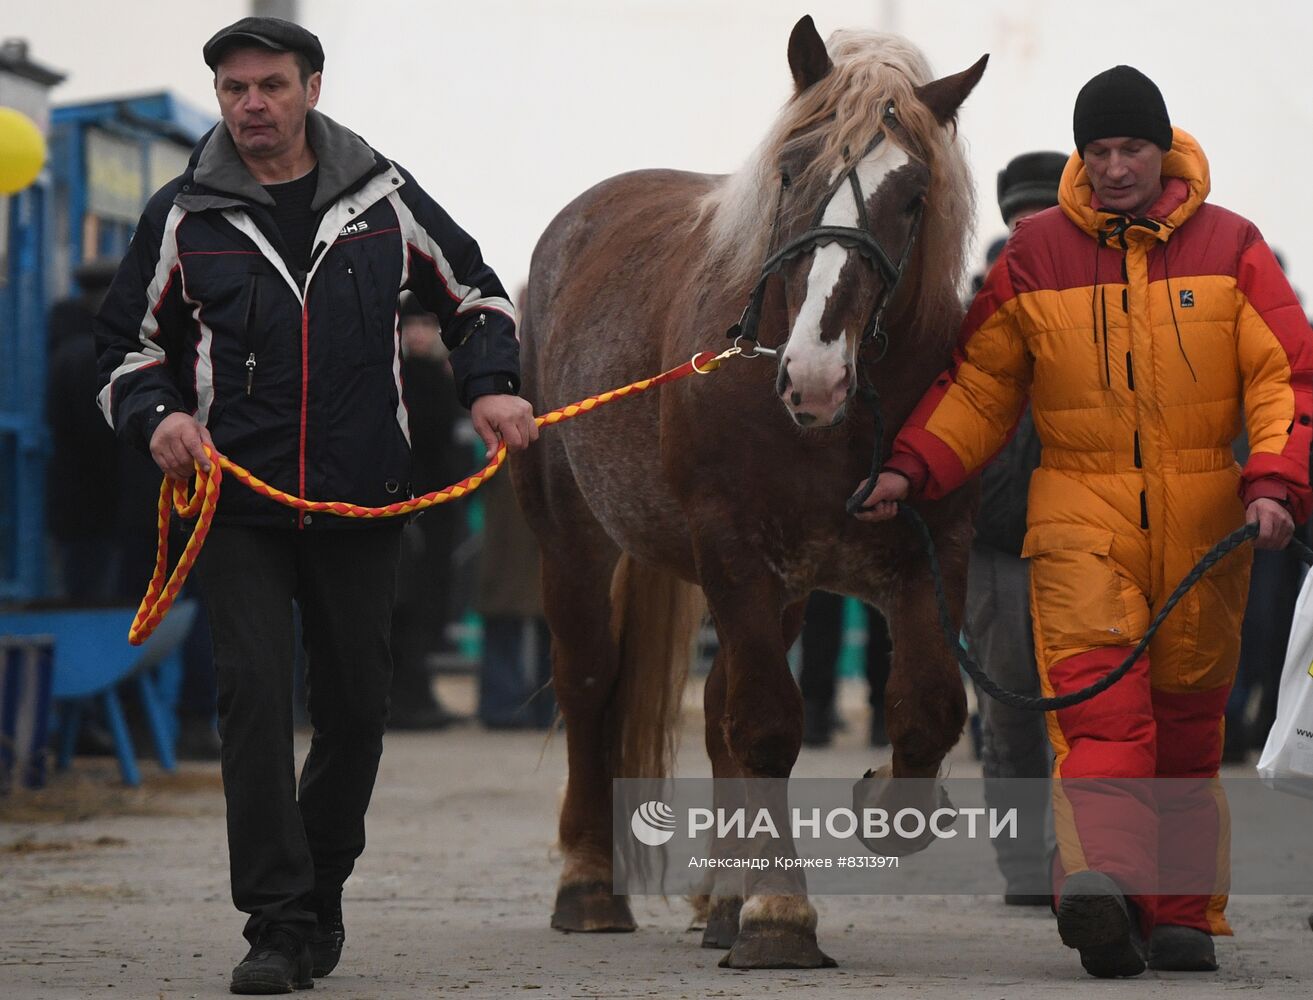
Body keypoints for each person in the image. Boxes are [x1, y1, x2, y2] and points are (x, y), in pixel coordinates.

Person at [93, 17, 536, 994]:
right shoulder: (184, 212)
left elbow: (478, 296)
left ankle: (318, 894)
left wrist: (491, 383)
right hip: (237, 503)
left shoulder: (383, 198)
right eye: (234, 89)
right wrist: (158, 414)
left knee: (354, 709)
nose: (251, 104)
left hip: (362, 501)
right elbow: (122, 345)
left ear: (312, 89)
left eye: (270, 86)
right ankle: (276, 921)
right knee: (252, 693)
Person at [856, 66, 1311, 978]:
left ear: (1161, 147)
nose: (1112, 168)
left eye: (1128, 149)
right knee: (1103, 718)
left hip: (1204, 521)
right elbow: (978, 387)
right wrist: (911, 467)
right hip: (1075, 518)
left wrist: (1274, 482)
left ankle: (1179, 916)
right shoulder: (1033, 254)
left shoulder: (1234, 246)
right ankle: (1103, 887)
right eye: (1096, 151)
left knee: (1187, 731)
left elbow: (1285, 379)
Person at [965, 151, 1067, 907]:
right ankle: (1023, 870)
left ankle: (1075, 859)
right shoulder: (972, 312)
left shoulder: (1101, 297)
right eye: (1018, 218)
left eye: (1043, 213)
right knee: (1007, 714)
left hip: (1081, 536)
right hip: (997, 538)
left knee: (1084, 711)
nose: (1028, 229)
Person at [388, 293, 466, 730]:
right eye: (410, 325)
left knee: (423, 605)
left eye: (425, 325)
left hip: (437, 508)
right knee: (405, 607)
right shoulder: (400, 380)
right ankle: (406, 698)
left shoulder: (442, 378)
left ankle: (415, 694)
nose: (418, 333)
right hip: (407, 508)